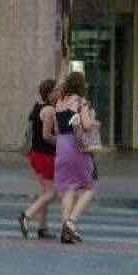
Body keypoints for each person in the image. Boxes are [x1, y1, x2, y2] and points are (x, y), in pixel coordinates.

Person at [53, 71, 98, 244]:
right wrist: (93, 120)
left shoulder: (59, 103)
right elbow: (86, 125)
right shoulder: (81, 102)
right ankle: (71, 223)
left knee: (68, 188)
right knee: (88, 188)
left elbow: (57, 129)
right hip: (76, 146)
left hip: (61, 145)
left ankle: (65, 230)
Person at [19, 79, 58, 240]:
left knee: (45, 192)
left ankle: (43, 227)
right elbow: (47, 136)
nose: (59, 93)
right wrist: (62, 141)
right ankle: (27, 215)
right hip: (45, 156)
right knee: (52, 193)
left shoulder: (37, 107)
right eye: (56, 91)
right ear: (49, 93)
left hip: (36, 155)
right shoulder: (49, 110)